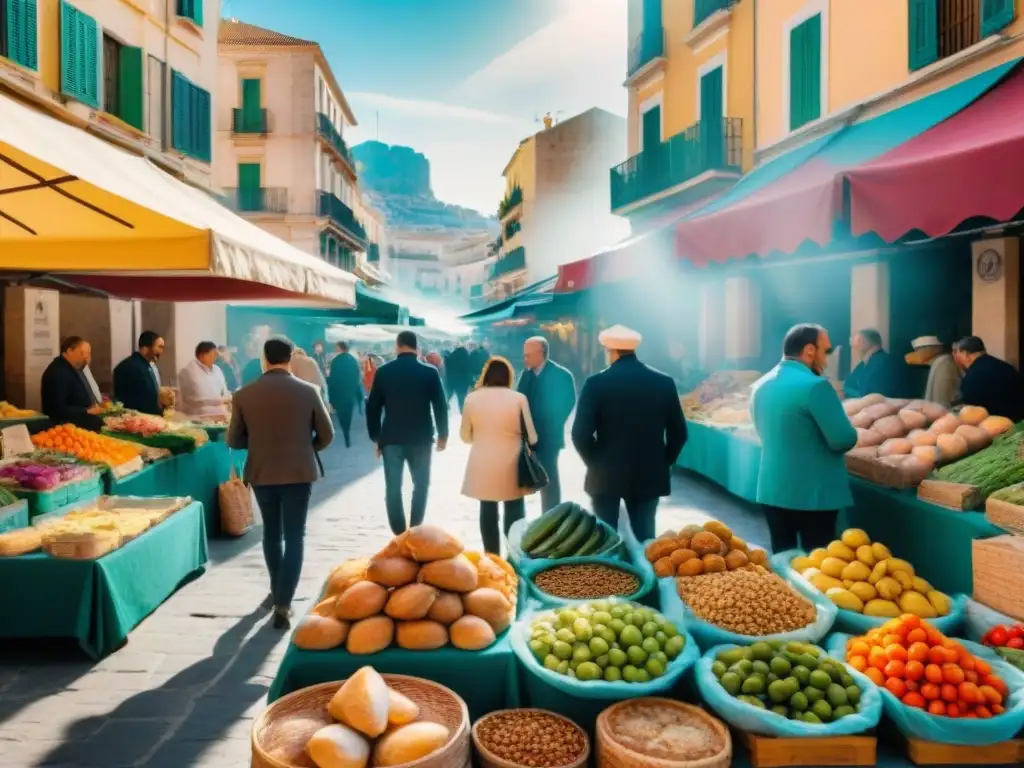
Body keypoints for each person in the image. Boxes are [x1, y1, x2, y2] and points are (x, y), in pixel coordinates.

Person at [227, 337, 334, 629]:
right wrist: (306, 446)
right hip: (299, 471)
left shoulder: (243, 394)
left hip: (262, 471)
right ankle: (284, 602)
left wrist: (260, 443)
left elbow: (233, 439)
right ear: (290, 358)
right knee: (295, 536)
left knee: (272, 535)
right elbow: (327, 434)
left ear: (264, 359)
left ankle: (278, 593)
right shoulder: (309, 391)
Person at [571, 325, 687, 541]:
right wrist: (663, 461)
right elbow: (679, 433)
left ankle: (611, 573)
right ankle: (645, 573)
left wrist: (595, 461)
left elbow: (580, 434)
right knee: (645, 539)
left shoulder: (596, 383)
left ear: (610, 351)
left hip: (606, 474)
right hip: (649, 472)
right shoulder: (663, 382)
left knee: (606, 540)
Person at [750, 324, 858, 552]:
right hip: (812, 495)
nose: (827, 358)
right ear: (810, 350)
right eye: (826, 351)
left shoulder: (760, 385)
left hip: (772, 490)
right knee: (817, 567)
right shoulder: (816, 386)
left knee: (783, 561)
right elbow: (843, 439)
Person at [366, 330, 449, 535]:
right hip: (421, 438)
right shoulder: (429, 372)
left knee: (393, 488)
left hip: (392, 438)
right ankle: (415, 529)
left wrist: (376, 437)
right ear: (416, 347)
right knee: (421, 485)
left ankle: (399, 533)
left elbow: (373, 407)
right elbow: (440, 405)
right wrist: (443, 434)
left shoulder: (384, 372)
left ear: (398, 345)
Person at [461, 357, 539, 554]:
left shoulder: (472, 398)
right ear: (509, 377)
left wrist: (481, 438)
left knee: (487, 509)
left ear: (485, 375)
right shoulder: (519, 398)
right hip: (512, 462)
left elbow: (464, 436)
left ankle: (492, 556)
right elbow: (532, 436)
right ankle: (513, 556)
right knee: (514, 509)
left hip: (482, 461)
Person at [518, 336, 576, 512]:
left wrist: (552, 422)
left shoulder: (561, 375)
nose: (525, 359)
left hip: (549, 437)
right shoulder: (525, 375)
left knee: (549, 478)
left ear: (541, 353)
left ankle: (552, 515)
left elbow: (568, 402)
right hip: (526, 437)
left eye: (528, 355)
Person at [952, 336, 1024, 421]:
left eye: (956, 353)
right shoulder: (1005, 366)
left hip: (997, 427)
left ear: (965, 354)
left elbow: (971, 410)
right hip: (1018, 425)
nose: (955, 357)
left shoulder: (973, 376)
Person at [41, 336, 105, 431]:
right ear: (70, 351)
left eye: (88, 354)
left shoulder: (70, 367)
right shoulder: (58, 371)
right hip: (66, 429)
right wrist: (86, 410)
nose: (86, 358)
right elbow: (57, 407)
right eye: (82, 353)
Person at [112, 331, 165, 415]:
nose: (161, 351)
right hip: (137, 421)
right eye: (159, 347)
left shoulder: (145, 365)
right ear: (146, 347)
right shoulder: (129, 366)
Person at [844, 329, 906, 398]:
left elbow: (869, 394)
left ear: (864, 343)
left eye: (857, 342)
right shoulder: (865, 363)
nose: (853, 347)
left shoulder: (883, 363)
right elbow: (849, 383)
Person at [178, 341, 232, 419]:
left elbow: (225, 391)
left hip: (221, 415)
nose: (216, 357)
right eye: (213, 354)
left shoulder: (217, 369)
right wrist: (221, 401)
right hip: (197, 417)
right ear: (202, 355)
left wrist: (229, 400)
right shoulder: (188, 372)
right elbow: (194, 401)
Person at [905, 336, 961, 408]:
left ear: (934, 349)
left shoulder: (944, 363)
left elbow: (944, 399)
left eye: (919, 349)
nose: (917, 353)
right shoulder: (939, 362)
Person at [328, 342, 364, 447]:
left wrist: (331, 396)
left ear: (340, 348)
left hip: (339, 393)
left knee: (341, 414)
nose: (335, 349)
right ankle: (346, 432)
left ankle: (345, 431)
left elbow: (332, 379)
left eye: (336, 347)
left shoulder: (335, 361)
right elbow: (358, 378)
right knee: (348, 414)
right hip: (350, 393)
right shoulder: (353, 360)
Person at [445, 342, 472, 412]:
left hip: (451, 382)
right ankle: (462, 412)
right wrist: (469, 382)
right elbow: (469, 371)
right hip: (462, 384)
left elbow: (447, 368)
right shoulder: (466, 358)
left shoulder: (451, 357)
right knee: (461, 399)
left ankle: (444, 406)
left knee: (448, 395)